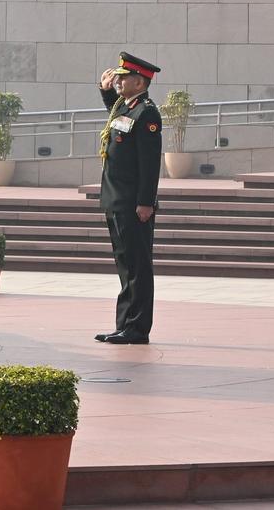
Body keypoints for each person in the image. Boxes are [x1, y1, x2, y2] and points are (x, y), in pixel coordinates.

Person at [93, 52, 162, 345]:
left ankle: (137, 328)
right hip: (117, 200)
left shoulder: (147, 113)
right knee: (125, 266)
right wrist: (106, 91)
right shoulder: (128, 108)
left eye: (122, 78)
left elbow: (150, 163)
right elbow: (118, 120)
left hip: (134, 204)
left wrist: (146, 202)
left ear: (138, 81)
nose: (118, 81)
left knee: (137, 266)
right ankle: (124, 324)